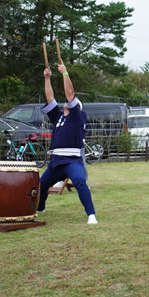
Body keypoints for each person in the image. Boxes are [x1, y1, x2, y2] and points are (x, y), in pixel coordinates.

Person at [37, 63, 97, 225]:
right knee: (42, 185)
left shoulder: (77, 116)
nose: (67, 102)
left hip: (71, 160)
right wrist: (47, 79)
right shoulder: (58, 116)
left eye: (71, 102)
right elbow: (50, 98)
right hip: (56, 161)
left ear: (77, 107)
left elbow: (70, 93)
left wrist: (64, 73)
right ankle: (40, 207)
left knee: (79, 181)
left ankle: (91, 214)